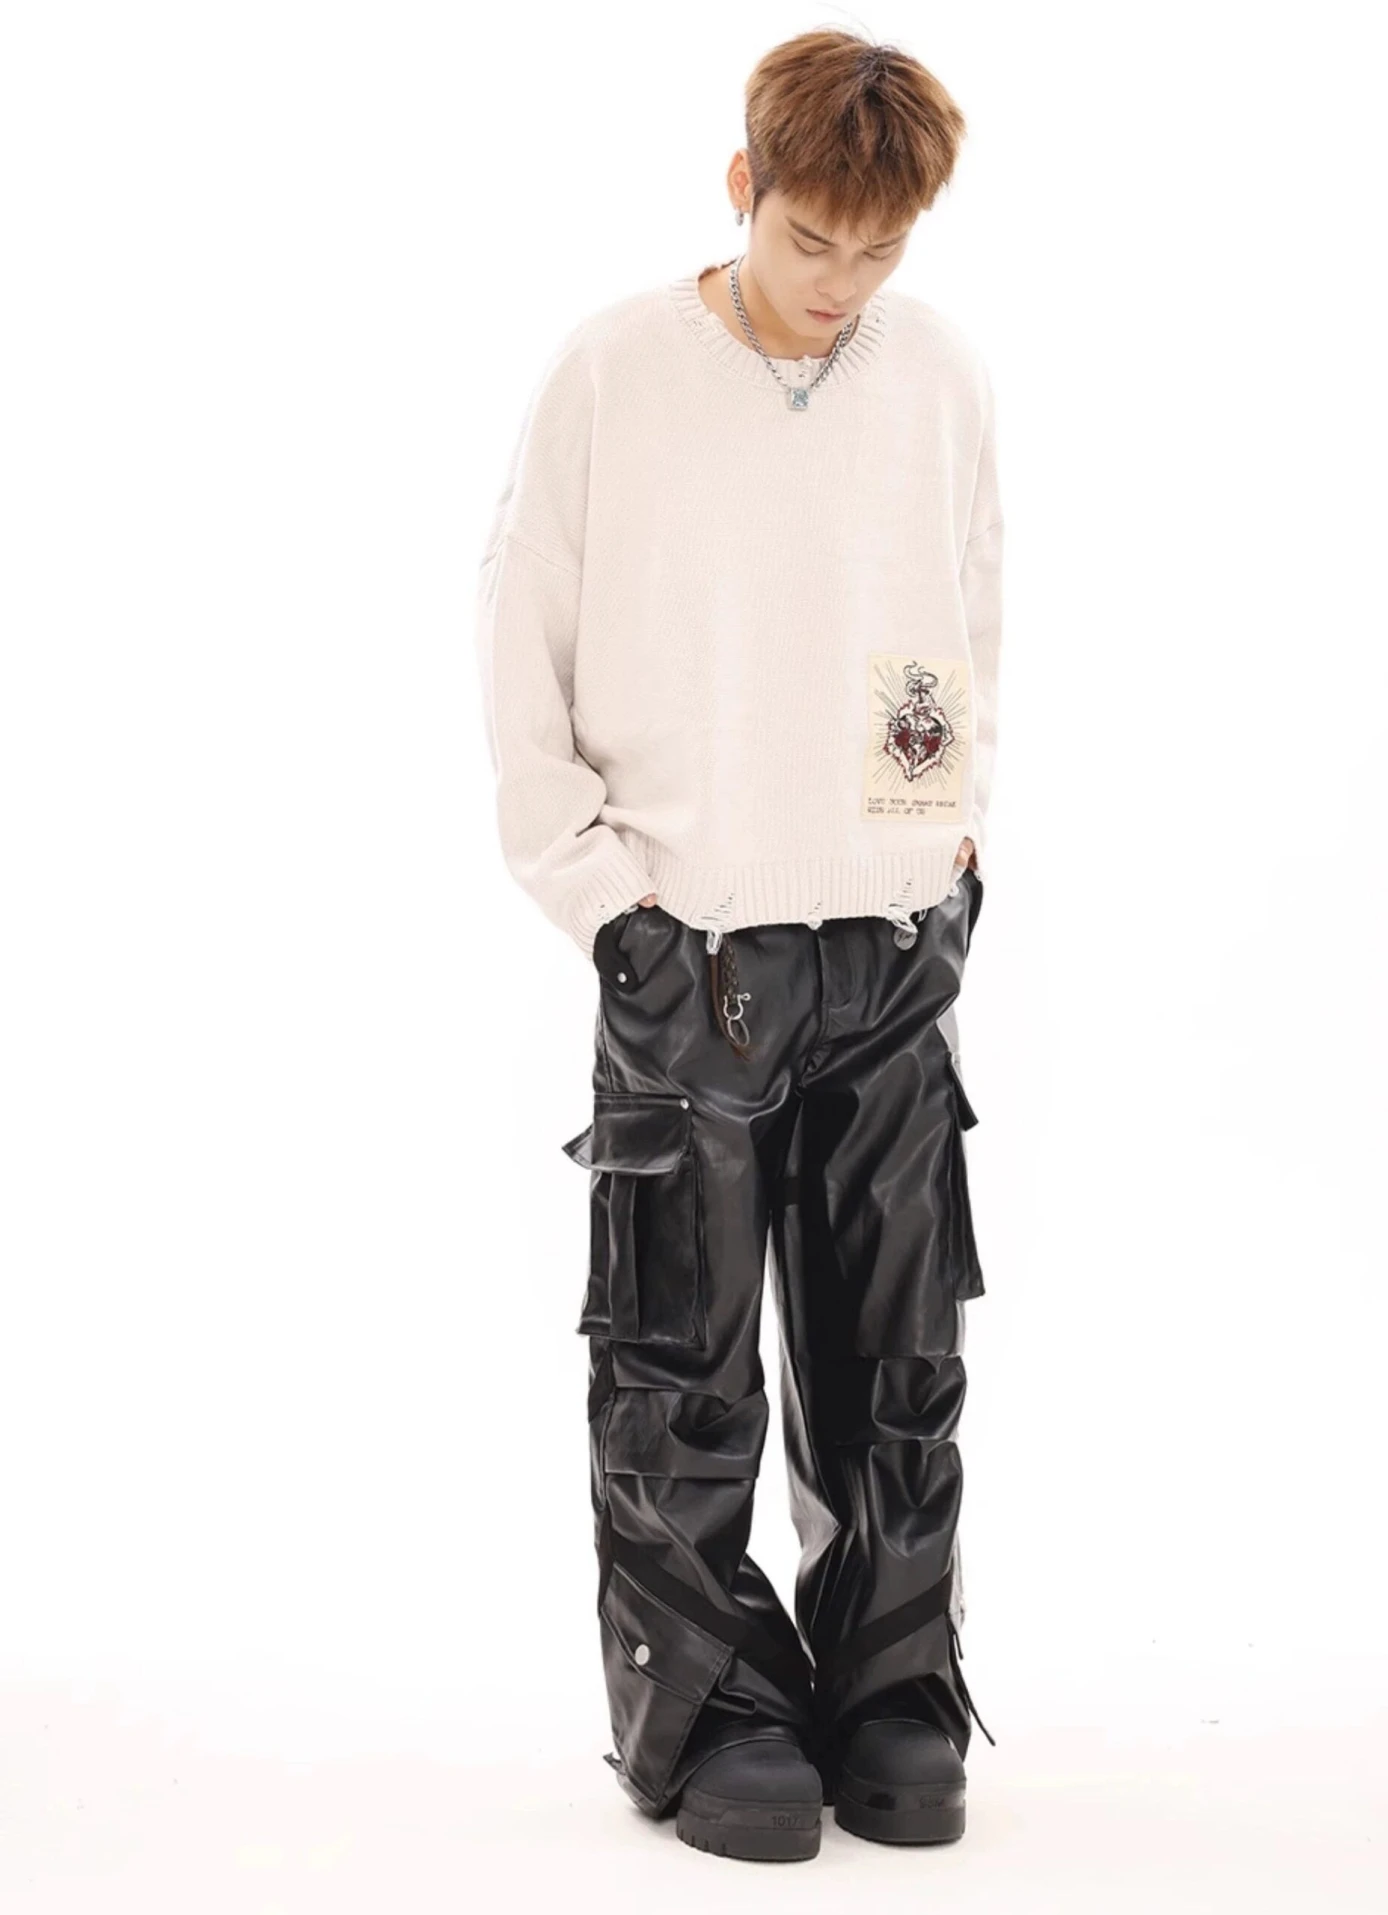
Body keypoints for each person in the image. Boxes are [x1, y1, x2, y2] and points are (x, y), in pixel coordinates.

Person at [473, 28, 1003, 1863]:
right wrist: (600, 901)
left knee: (896, 1356)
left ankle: (890, 1678)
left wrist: (941, 847)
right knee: (679, 1362)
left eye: (880, 249)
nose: (841, 281)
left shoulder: (937, 374)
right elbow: (522, 639)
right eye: (810, 239)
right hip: (685, 949)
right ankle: (706, 1701)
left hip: (886, 945)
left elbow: (952, 615)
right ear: (742, 187)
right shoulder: (615, 374)